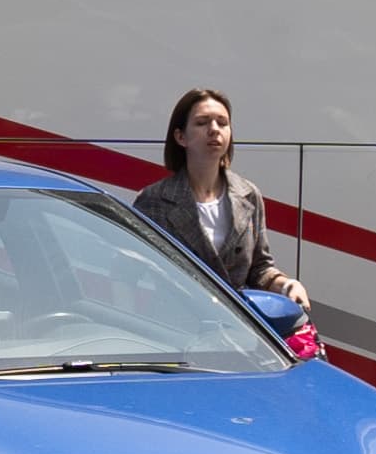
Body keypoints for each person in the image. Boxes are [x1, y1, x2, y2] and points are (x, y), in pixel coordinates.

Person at [132, 85, 307, 311]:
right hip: (177, 325)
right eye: (202, 122)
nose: (214, 129)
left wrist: (286, 286)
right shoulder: (154, 199)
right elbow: (134, 270)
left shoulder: (248, 195)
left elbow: (260, 268)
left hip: (238, 327)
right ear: (180, 136)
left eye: (222, 123)